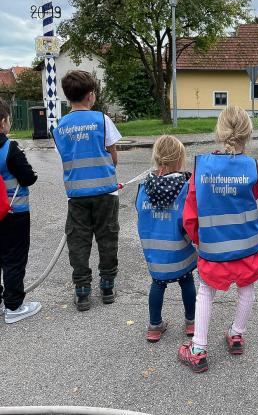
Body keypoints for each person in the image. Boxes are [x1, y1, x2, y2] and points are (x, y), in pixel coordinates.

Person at [178, 105, 258, 373]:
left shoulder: (202, 168)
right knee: (247, 288)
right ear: (248, 133)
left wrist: (197, 239)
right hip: (247, 245)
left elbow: (190, 211)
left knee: (206, 291)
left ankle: (198, 349)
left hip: (213, 246)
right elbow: (256, 193)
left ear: (219, 131)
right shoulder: (253, 167)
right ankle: (237, 334)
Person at [53, 71, 122, 311]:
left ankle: (82, 291)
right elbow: (113, 156)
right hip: (105, 193)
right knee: (107, 238)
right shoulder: (102, 120)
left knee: (79, 243)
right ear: (91, 95)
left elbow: (65, 157)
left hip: (77, 196)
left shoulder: (60, 127)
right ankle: (107, 286)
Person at [136, 135, 197, 342]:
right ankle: (191, 322)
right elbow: (189, 218)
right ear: (179, 160)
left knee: (157, 284)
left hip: (155, 250)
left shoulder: (144, 188)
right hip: (180, 248)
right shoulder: (184, 187)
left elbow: (140, 212)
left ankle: (154, 326)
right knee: (186, 280)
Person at [0, 98, 41, 323]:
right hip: (13, 213)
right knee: (13, 258)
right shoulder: (9, 148)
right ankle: (14, 306)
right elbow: (28, 177)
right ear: (3, 122)